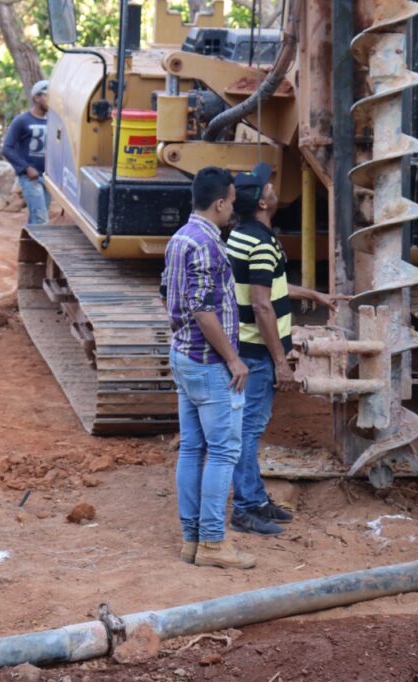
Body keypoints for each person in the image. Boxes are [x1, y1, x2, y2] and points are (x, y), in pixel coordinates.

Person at [225, 163, 336, 536]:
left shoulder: (243, 235)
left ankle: (256, 499)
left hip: (248, 347)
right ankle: (245, 509)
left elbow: (268, 287)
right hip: (257, 353)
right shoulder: (260, 243)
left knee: (247, 428)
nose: (273, 186)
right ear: (261, 203)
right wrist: (281, 364)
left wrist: (314, 294)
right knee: (248, 431)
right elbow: (261, 305)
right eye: (267, 185)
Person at [161, 166, 253, 570]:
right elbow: (202, 309)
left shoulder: (180, 238)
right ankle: (213, 542)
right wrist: (232, 358)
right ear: (218, 203)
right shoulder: (208, 246)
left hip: (184, 356)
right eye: (230, 202)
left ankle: (192, 539)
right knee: (223, 451)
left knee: (192, 448)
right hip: (209, 362)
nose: (232, 208)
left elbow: (169, 293)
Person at [1, 80, 51, 225]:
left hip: (48, 178)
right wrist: (26, 168)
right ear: (37, 97)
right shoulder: (22, 120)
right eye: (48, 96)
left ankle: (28, 240)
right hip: (30, 178)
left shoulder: (53, 122)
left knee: (37, 217)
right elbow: (7, 148)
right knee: (41, 219)